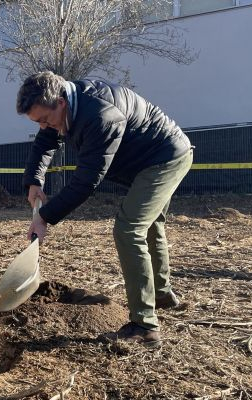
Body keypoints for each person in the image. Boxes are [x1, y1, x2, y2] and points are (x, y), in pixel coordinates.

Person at [18, 71, 193, 346]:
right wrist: (34, 181)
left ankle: (144, 326)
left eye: (44, 119)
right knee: (150, 224)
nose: (43, 126)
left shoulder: (100, 116)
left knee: (128, 229)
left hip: (165, 157)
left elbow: (86, 181)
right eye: (36, 121)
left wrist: (44, 217)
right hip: (145, 160)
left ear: (61, 102)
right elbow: (44, 141)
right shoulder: (64, 108)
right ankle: (161, 294)